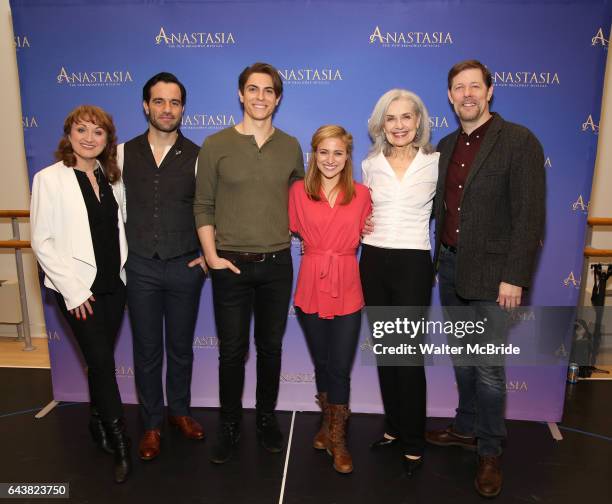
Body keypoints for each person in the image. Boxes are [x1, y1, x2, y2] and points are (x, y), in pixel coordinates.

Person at [427, 60, 545, 498]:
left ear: (490, 91)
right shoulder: (445, 144)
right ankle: (465, 427)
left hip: (496, 277)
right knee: (462, 358)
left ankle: (490, 450)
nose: (467, 94)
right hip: (451, 269)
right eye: (459, 88)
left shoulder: (518, 140)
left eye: (475, 86)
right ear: (450, 96)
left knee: (490, 369)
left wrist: (514, 276)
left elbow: (530, 215)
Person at [194, 62, 304, 464]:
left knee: (271, 348)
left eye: (269, 90)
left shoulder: (291, 146)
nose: (260, 97)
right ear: (241, 94)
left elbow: (301, 204)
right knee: (231, 352)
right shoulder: (215, 144)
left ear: (277, 98)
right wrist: (212, 258)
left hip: (277, 265)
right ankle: (229, 425)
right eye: (253, 89)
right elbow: (203, 205)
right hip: (230, 267)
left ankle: (265, 420)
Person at [30, 105, 131, 483]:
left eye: (98, 132)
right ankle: (121, 441)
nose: (89, 138)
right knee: (103, 364)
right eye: (82, 129)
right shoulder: (49, 179)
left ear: (108, 139)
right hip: (77, 291)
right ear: (68, 133)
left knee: (97, 360)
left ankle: (97, 423)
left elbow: (115, 231)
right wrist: (74, 292)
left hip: (113, 287)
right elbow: (42, 242)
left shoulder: (111, 176)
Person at [118, 72, 206, 461]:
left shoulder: (200, 155)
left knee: (181, 347)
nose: (167, 109)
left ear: (183, 108)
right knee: (147, 349)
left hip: (185, 265)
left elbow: (212, 208)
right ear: (145, 105)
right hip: (139, 267)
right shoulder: (120, 154)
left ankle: (180, 412)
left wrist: (208, 254)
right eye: (159, 101)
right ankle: (152, 422)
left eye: (174, 102)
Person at [359, 89, 439, 476]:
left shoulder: (436, 162)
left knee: (407, 356)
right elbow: (361, 210)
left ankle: (414, 441)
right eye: (391, 118)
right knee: (386, 352)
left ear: (419, 122)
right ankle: (393, 427)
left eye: (407, 117)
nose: (399, 125)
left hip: (413, 262)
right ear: (381, 124)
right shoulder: (370, 163)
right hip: (373, 260)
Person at [289, 125, 371, 474]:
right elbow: (296, 230)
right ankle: (327, 423)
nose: (330, 160)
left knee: (339, 367)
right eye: (324, 152)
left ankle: (338, 438)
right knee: (322, 364)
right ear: (314, 154)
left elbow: (369, 229)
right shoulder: (297, 191)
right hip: (310, 283)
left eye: (338, 153)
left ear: (347, 157)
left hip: (348, 285)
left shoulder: (363, 194)